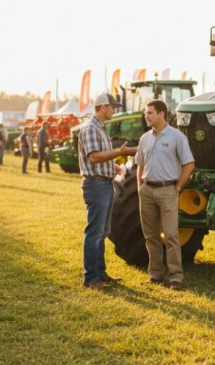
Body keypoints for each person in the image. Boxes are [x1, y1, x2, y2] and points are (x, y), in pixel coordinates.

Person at [78, 93, 138, 289]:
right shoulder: (90, 128)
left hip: (103, 183)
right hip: (96, 186)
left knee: (102, 232)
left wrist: (112, 167)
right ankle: (90, 278)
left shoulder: (100, 128)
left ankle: (100, 273)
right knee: (94, 233)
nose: (115, 110)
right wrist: (120, 153)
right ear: (102, 107)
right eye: (113, 107)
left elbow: (97, 159)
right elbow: (94, 157)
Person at [135, 99, 195, 291]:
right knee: (150, 235)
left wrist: (177, 187)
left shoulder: (177, 137)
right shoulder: (144, 138)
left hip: (168, 190)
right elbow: (140, 165)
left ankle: (176, 278)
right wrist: (140, 187)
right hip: (147, 191)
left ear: (162, 114)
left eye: (150, 112)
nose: (147, 116)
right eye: (146, 113)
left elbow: (189, 164)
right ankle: (155, 274)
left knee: (170, 235)